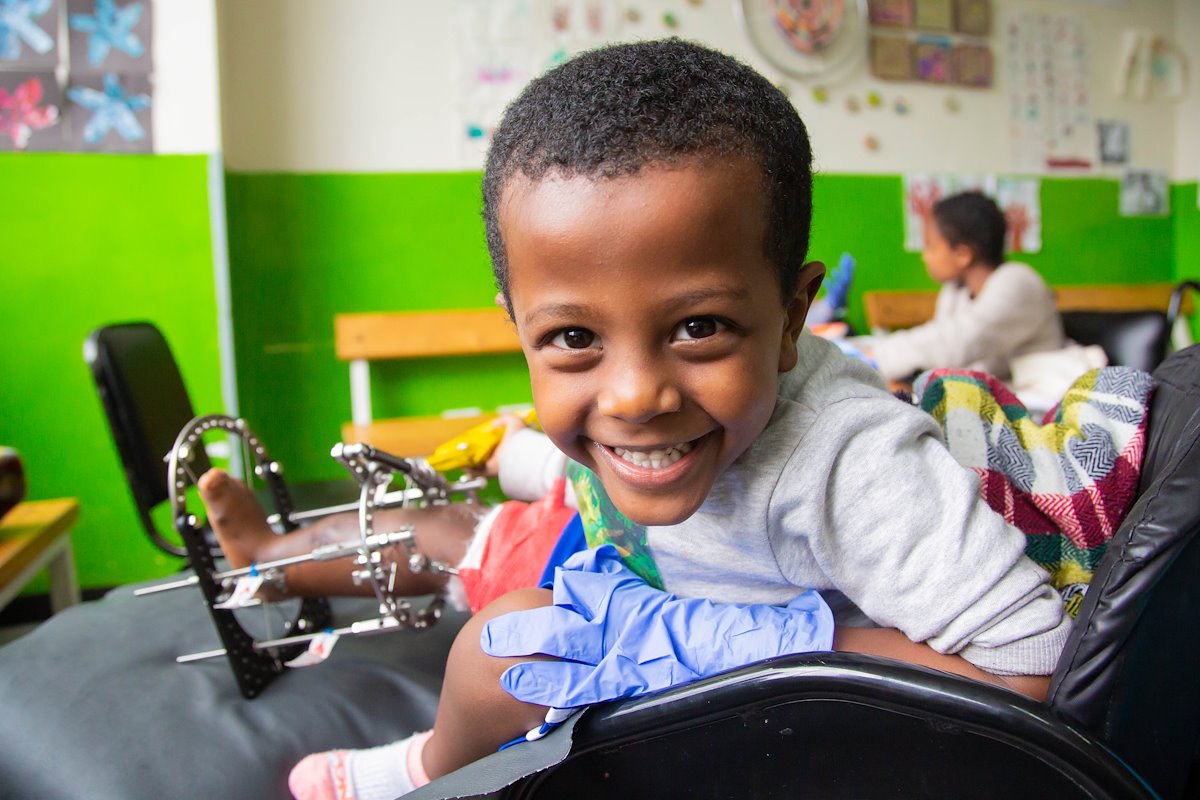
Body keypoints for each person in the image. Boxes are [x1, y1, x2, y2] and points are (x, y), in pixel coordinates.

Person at [201, 39, 1070, 800]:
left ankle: (427, 773)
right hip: (647, 563)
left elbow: (1031, 665)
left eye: (700, 328)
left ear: (793, 318)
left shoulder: (845, 461)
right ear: (520, 329)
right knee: (458, 533)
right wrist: (539, 461)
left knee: (496, 655)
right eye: (575, 338)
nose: (633, 396)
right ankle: (273, 564)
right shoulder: (650, 429)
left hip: (728, 633)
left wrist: (755, 646)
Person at [862, 192, 1065, 386]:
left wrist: (876, 355)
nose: (925, 256)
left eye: (930, 246)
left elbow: (959, 343)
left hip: (1039, 397)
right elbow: (944, 351)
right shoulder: (955, 291)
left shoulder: (1018, 282)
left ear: (962, 255)